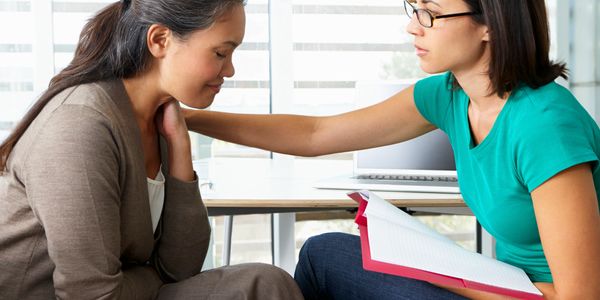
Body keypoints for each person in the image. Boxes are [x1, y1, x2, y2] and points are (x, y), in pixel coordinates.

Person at [183, 0, 600, 299]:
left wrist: (448, 275)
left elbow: (580, 295)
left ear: (489, 21)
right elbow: (315, 135)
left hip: (527, 294)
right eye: (413, 8)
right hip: (500, 283)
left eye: (430, 13)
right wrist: (190, 120)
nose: (413, 26)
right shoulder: (450, 96)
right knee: (324, 252)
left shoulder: (543, 126)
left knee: (323, 255)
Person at [0, 0, 303, 299]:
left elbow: (180, 268)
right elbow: (92, 295)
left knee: (265, 284)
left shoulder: (157, 120)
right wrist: (153, 275)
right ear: (160, 40)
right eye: (220, 52)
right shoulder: (79, 125)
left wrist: (180, 148)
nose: (231, 70)